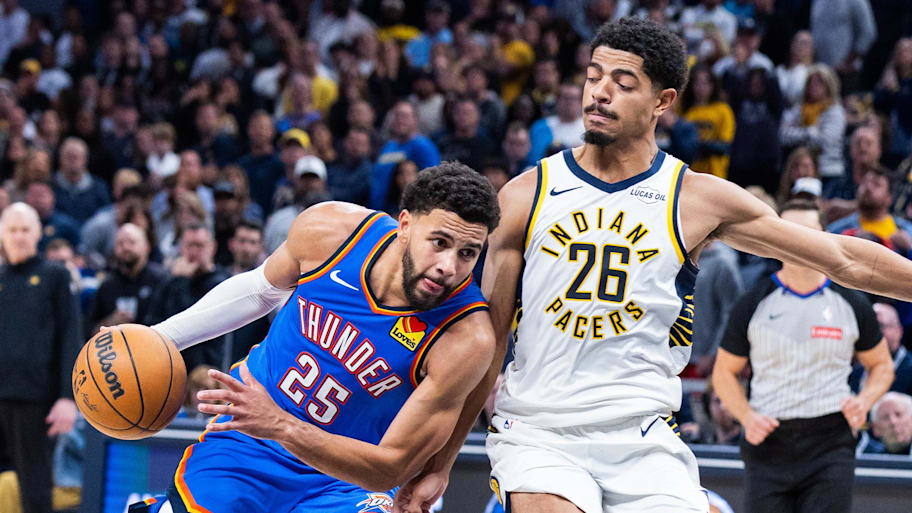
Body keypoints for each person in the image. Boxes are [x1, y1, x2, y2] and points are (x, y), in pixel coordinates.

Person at [394, 18, 912, 513]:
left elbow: (843, 257)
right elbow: (488, 345)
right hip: (539, 429)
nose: (600, 93)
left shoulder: (696, 198)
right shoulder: (527, 193)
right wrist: (443, 461)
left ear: (662, 101)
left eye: (622, 84)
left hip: (643, 434)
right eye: (593, 77)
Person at [128, 162, 499, 513]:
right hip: (250, 439)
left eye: (467, 253)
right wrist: (160, 338)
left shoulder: (465, 336)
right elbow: (260, 291)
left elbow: (389, 467)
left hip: (346, 477)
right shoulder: (335, 232)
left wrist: (281, 424)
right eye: (439, 243)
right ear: (405, 225)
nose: (449, 267)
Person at [713, 199, 894, 513]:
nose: (797, 242)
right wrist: (747, 417)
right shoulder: (753, 302)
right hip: (768, 441)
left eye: (807, 233)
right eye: (788, 232)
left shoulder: (851, 302)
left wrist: (864, 401)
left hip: (830, 442)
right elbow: (723, 373)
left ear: (825, 237)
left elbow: (881, 365)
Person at [0, 203, 80, 513]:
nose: (19, 236)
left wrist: (68, 397)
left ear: (37, 233)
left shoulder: (55, 275)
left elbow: (70, 335)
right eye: (12, 230)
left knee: (35, 489)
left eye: (25, 229)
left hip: (35, 400)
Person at [88, 223, 166, 336]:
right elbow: (89, 330)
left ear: (147, 247)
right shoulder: (107, 285)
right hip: (118, 344)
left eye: (131, 242)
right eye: (120, 243)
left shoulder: (162, 280)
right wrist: (110, 322)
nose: (126, 247)